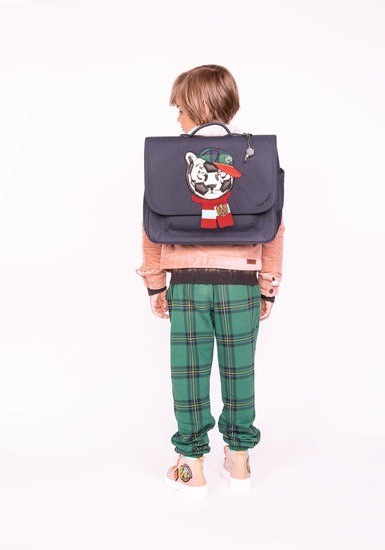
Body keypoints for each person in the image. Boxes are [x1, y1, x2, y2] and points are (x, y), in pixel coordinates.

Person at [136, 64, 285, 498]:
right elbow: (275, 227)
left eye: (180, 110)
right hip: (241, 284)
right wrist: (268, 285)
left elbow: (150, 226)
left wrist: (155, 284)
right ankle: (239, 461)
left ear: (197, 109)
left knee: (189, 373)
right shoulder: (257, 157)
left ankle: (191, 466)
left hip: (187, 285)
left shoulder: (167, 161)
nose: (177, 119)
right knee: (240, 371)